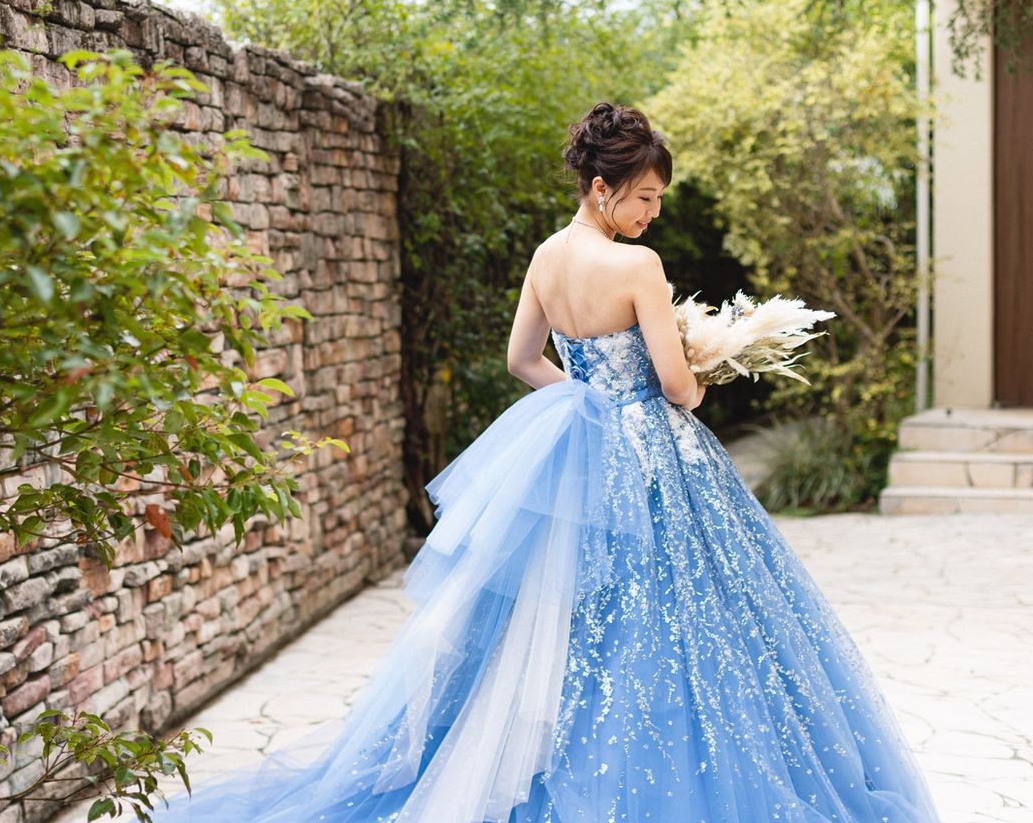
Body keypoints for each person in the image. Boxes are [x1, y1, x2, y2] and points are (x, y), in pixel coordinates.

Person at [163, 102, 940, 822]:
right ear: (603, 188)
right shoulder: (638, 267)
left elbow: (521, 359)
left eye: (657, 201)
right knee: (677, 610)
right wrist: (701, 379)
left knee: (568, 609)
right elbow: (676, 387)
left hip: (581, 448)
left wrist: (585, 403)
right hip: (652, 453)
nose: (652, 213)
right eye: (644, 198)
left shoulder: (544, 257)